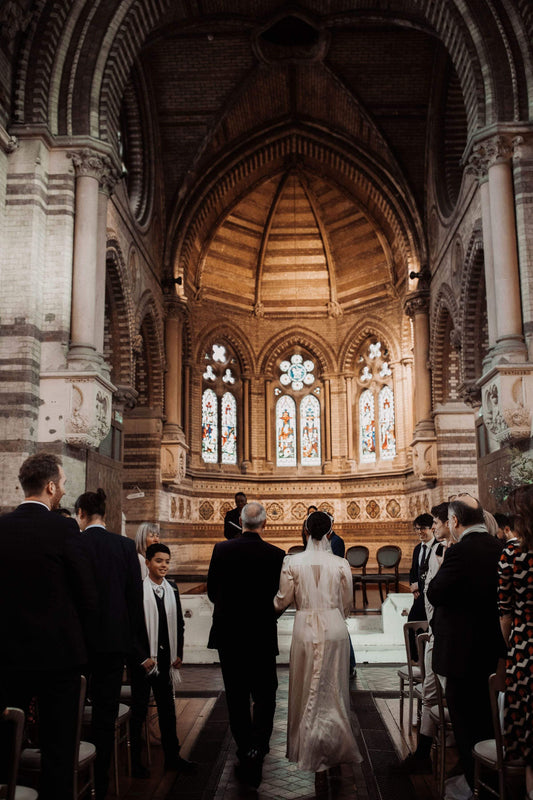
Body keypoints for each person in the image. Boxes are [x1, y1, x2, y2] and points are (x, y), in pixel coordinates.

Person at [0, 453, 98, 800]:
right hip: (59, 657)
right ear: (52, 486)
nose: (64, 490)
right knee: (58, 748)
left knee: (6, 744)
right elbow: (85, 592)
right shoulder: (63, 527)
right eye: (64, 483)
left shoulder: (2, 526)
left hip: (8, 656)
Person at [274, 511, 362, 793]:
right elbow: (347, 603)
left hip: (304, 627)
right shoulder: (340, 563)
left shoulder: (292, 561)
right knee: (333, 691)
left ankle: (311, 751)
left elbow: (282, 600)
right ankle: (333, 751)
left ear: (305, 530)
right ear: (329, 533)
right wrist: (334, 611)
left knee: (305, 691)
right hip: (334, 626)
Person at [427, 494, 506, 792]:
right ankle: (486, 781)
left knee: (465, 723)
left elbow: (436, 592)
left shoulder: (459, 552)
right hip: (492, 649)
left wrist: (444, 563)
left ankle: (476, 785)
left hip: (461, 653)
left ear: (455, 521)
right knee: (487, 719)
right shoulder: (500, 547)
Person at [207, 501, 284, 788]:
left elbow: (212, 590)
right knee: (265, 695)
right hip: (262, 635)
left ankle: (244, 750)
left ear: (240, 521)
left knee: (236, 696)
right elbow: (280, 597)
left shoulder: (221, 550)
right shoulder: (276, 555)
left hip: (229, 635)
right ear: (265, 524)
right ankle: (258, 750)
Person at [75, 488, 145, 800]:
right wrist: (136, 649)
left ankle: (75, 777)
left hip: (77, 646)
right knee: (105, 716)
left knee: (73, 713)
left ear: (80, 514)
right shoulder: (125, 546)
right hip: (115, 645)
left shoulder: (74, 544)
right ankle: (101, 784)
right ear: (106, 514)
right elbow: (134, 602)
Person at [130, 543, 194, 777]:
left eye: (167, 561)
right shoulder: (137, 590)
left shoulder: (173, 589)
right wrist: (141, 657)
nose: (164, 565)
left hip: (166, 660)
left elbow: (179, 623)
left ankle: (173, 758)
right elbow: (131, 629)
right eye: (158, 561)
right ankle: (136, 763)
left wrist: (179, 653)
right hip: (144, 662)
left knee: (168, 711)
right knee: (138, 713)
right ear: (147, 563)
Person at [400, 501, 450, 774]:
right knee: (431, 691)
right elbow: (419, 574)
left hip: (442, 627)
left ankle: (430, 751)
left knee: (437, 692)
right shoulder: (426, 550)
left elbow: (439, 588)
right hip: (434, 621)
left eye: (433, 525)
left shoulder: (443, 551)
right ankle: (423, 754)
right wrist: (418, 589)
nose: (425, 531)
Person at [498, 485, 533, 800]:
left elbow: (505, 612)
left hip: (525, 647)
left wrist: (511, 646)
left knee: (524, 737)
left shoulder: (512, 553)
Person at [407, 513, 435, 661]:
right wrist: (413, 585)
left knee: (428, 629)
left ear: (432, 528)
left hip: (431, 596)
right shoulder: (418, 548)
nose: (419, 532)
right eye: (417, 529)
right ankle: (415, 659)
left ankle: (426, 659)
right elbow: (413, 570)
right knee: (411, 625)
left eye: (423, 528)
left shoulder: (437, 548)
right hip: (419, 597)